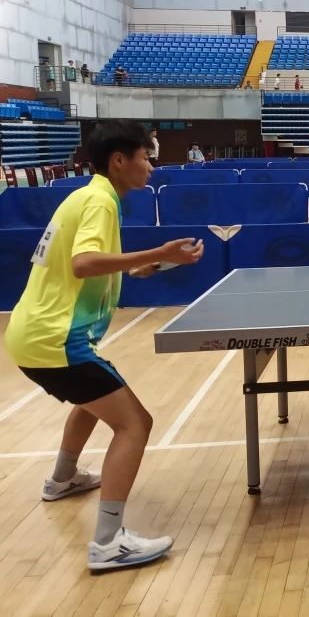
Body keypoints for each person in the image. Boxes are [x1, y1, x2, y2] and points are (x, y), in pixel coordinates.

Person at [3, 120, 205, 571]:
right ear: (119, 160)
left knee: (92, 401)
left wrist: (140, 270)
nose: (150, 166)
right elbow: (84, 263)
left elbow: (81, 265)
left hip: (33, 334)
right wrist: (159, 253)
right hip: (57, 338)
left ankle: (63, 478)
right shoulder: (100, 201)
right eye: (145, 157)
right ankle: (108, 543)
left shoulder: (86, 196)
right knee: (135, 424)